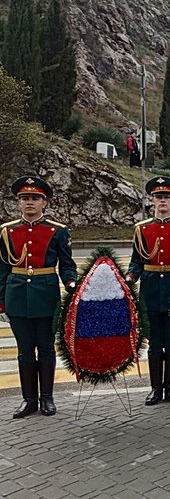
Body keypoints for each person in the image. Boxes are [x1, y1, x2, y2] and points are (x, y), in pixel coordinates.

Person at [0, 176, 77, 418]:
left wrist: (72, 283)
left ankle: (47, 398)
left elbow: (66, 264)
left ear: (44, 203)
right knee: (24, 350)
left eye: (35, 198)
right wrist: (1, 301)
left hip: (46, 296)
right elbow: (2, 269)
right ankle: (28, 400)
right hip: (17, 295)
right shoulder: (6, 232)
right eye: (24, 198)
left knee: (45, 348)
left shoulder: (57, 231)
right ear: (18, 203)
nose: (29, 202)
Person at [126, 177, 170, 406]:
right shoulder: (142, 229)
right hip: (150, 292)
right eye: (158, 197)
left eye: (167, 196)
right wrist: (129, 277)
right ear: (151, 200)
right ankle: (156, 389)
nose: (163, 201)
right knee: (155, 343)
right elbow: (136, 261)